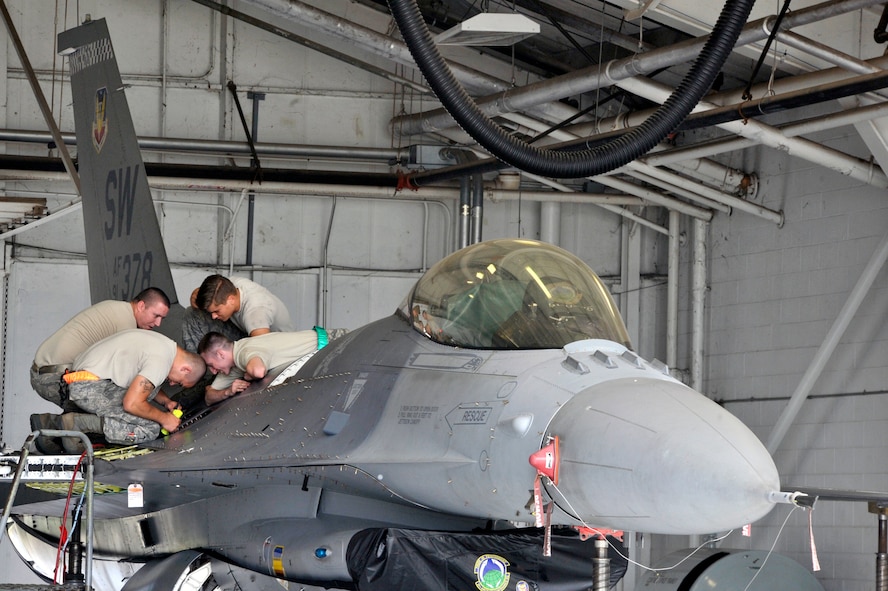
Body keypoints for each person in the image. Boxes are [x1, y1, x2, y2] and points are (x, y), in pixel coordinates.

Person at [31, 329, 206, 453]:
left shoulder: (164, 345)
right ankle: (77, 424)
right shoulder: (161, 361)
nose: (174, 384)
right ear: (186, 370)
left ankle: (50, 423)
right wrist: (165, 418)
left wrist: (166, 402)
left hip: (82, 379)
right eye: (181, 382)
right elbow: (131, 404)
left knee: (148, 401)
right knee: (150, 428)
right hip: (89, 387)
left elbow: (143, 384)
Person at [30, 287, 171, 408]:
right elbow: (138, 378)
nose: (158, 323)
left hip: (41, 371)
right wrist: (165, 401)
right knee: (123, 405)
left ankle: (60, 426)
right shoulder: (125, 325)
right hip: (54, 379)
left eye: (162, 318)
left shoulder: (117, 308)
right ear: (141, 306)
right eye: (155, 315)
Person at [197, 328, 336, 405]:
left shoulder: (244, 352)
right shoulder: (232, 365)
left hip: (333, 343)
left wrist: (247, 376)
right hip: (323, 355)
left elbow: (258, 371)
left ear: (221, 354)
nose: (213, 371)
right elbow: (209, 397)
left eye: (211, 365)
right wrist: (227, 391)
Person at [193, 274, 294, 337]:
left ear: (231, 300)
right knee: (194, 314)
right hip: (246, 331)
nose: (213, 316)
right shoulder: (228, 286)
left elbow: (263, 350)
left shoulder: (255, 311)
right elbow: (200, 293)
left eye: (217, 311)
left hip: (276, 345)